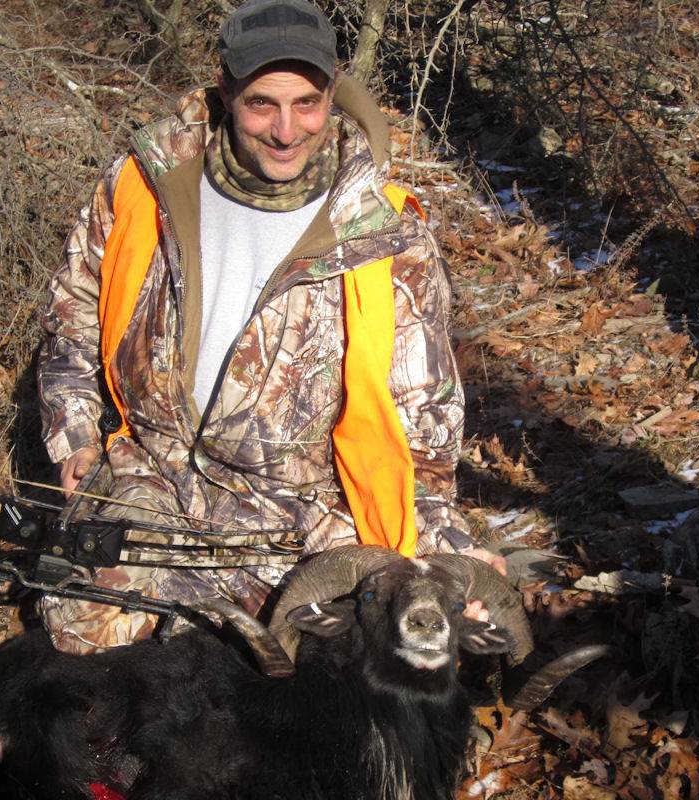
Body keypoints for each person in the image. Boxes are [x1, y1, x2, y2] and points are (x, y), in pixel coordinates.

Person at [37, 0, 505, 654]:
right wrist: (78, 438)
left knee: (344, 672)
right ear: (225, 90)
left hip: (309, 514)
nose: (287, 131)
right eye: (262, 104)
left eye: (307, 104)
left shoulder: (387, 234)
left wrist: (452, 557)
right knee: (79, 639)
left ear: (333, 91)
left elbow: (420, 432)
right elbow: (74, 315)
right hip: (149, 473)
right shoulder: (145, 182)